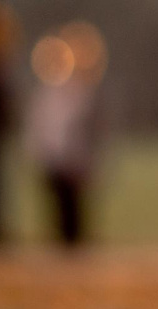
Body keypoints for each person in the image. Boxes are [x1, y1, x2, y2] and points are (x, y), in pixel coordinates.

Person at [25, 22, 110, 249]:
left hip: (75, 160)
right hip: (57, 159)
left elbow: (92, 133)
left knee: (75, 213)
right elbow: (45, 128)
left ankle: (73, 252)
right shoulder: (52, 93)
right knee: (60, 212)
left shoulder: (86, 94)